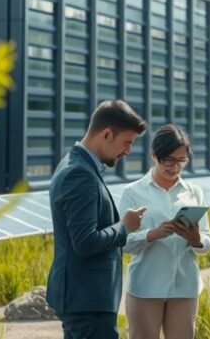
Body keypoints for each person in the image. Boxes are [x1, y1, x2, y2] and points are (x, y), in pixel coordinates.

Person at [46, 99, 148, 339]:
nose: (129, 151)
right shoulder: (80, 174)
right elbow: (85, 242)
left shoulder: (76, 166)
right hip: (87, 301)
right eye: (127, 142)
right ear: (107, 134)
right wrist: (125, 226)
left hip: (83, 299)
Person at [119, 124, 210, 339]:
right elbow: (122, 243)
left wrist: (196, 240)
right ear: (154, 155)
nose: (175, 167)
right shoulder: (133, 192)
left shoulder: (194, 192)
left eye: (182, 161)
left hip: (184, 287)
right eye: (169, 161)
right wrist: (152, 234)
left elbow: (207, 241)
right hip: (145, 287)